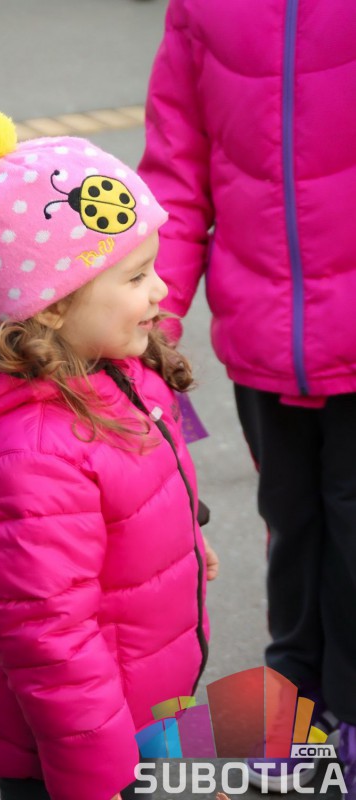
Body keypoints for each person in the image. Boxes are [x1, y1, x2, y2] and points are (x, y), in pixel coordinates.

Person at [0, 102, 218, 800]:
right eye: (135, 277)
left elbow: (149, 464)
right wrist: (96, 781)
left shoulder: (111, 360)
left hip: (135, 696)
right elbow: (49, 642)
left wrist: (184, 533)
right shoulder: (28, 461)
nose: (162, 289)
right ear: (53, 304)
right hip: (78, 750)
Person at [137, 0, 356, 794]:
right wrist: (149, 323)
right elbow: (175, 176)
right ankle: (296, 710)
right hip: (263, 341)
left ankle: (348, 720)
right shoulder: (204, 9)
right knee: (290, 527)